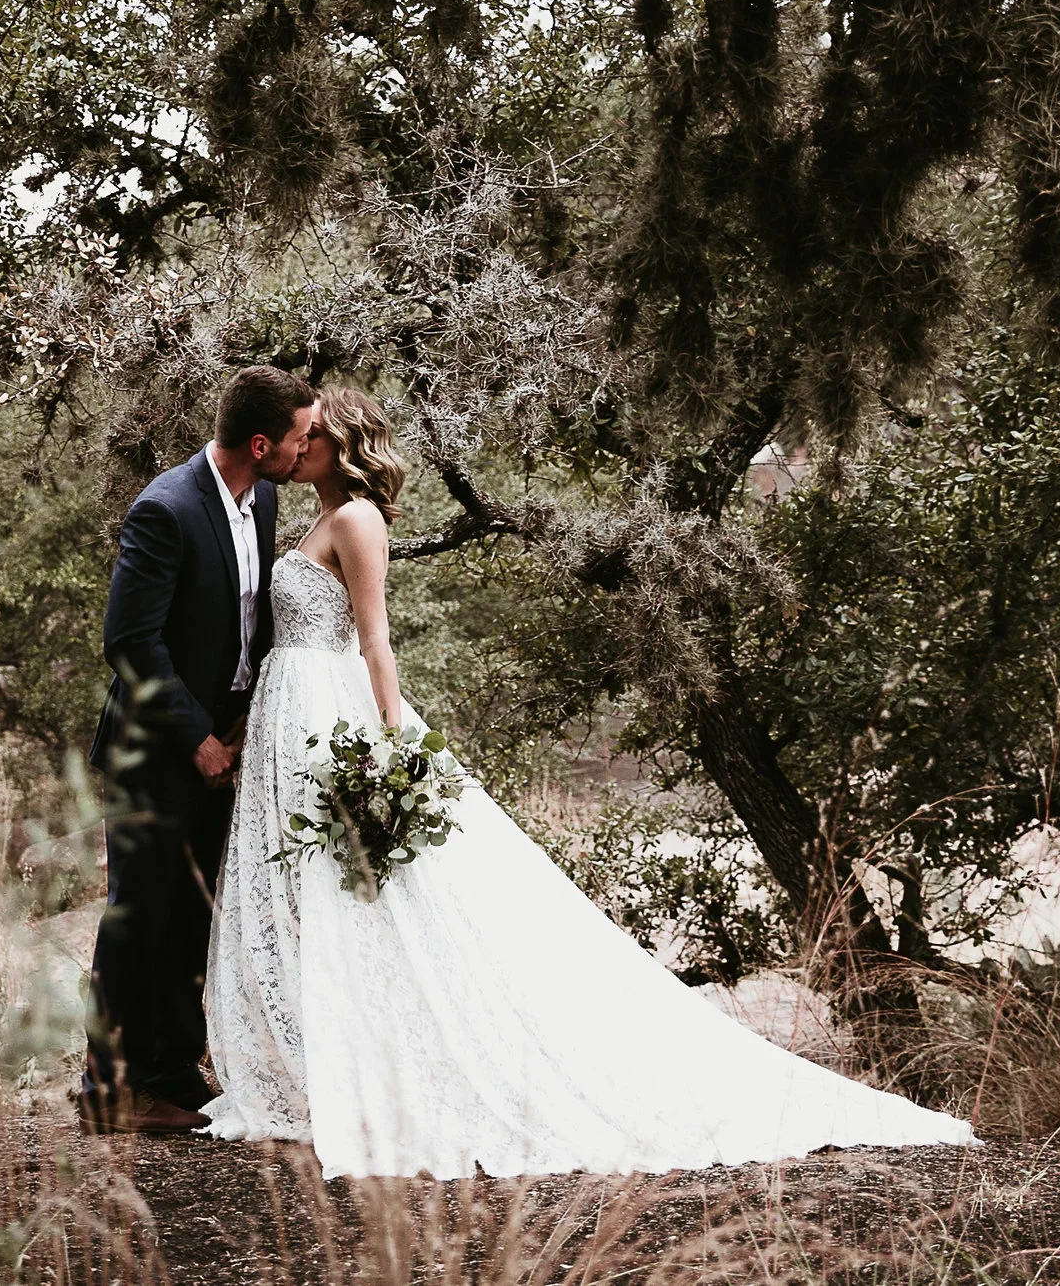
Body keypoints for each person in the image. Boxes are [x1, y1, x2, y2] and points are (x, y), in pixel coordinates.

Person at [201, 386, 980, 1178]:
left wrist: (396, 751)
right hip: (290, 719)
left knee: (369, 898)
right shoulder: (306, 518)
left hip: (338, 712)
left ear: (343, 445)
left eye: (311, 438)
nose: (297, 449)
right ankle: (338, 1071)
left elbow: (376, 643)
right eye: (295, 438)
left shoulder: (359, 519)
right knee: (324, 898)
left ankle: (384, 1077)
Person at [77, 364, 320, 1133]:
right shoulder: (166, 509)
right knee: (137, 915)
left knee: (195, 913)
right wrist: (197, 738)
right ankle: (105, 1088)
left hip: (228, 747)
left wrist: (253, 721)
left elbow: (245, 625)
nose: (306, 448)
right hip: (156, 751)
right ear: (261, 443)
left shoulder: (268, 495)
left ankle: (172, 1071)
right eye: (300, 437)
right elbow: (131, 640)